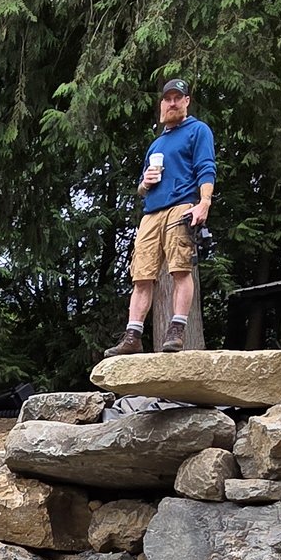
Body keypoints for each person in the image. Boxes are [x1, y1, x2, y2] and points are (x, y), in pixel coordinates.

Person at [106, 78, 216, 357]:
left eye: (178, 98)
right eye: (168, 99)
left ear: (187, 101)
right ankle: (133, 336)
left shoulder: (198, 130)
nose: (172, 103)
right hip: (151, 213)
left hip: (182, 206)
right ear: (162, 104)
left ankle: (176, 330)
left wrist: (204, 203)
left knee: (180, 269)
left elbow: (206, 168)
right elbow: (142, 188)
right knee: (141, 275)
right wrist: (145, 182)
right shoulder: (155, 144)